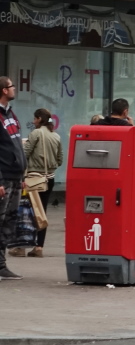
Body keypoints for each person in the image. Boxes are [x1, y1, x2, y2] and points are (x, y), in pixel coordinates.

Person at [15, 108, 62, 258]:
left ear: (39, 119)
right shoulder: (56, 136)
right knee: (42, 212)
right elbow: (60, 159)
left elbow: (25, 154)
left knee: (26, 212)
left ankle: (21, 247)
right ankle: (39, 246)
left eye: (34, 119)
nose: (33, 121)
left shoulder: (35, 134)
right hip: (50, 178)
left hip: (34, 178)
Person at [0, 76, 25, 280]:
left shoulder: (11, 114)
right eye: (11, 86)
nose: (14, 88)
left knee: (10, 219)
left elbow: (16, 144)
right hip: (4, 176)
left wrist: (22, 173)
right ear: (3, 90)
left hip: (16, 176)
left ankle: (1, 265)